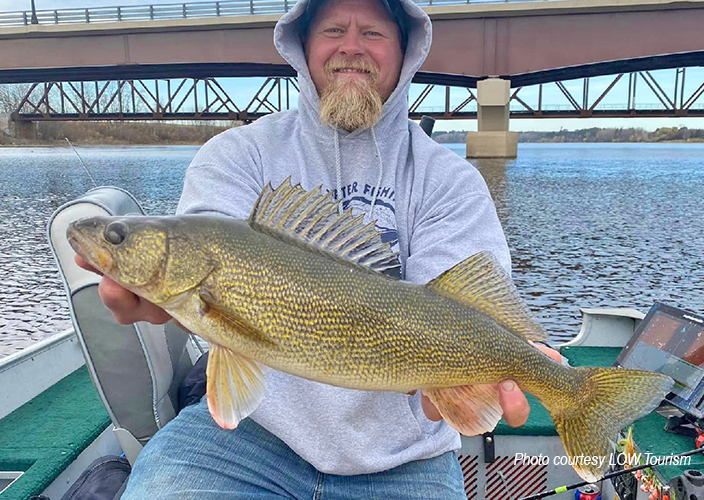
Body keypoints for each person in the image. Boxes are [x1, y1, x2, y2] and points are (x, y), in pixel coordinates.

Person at [75, 0, 560, 497]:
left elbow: (460, 304)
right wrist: (172, 304)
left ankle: (579, 397)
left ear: (406, 50)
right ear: (302, 45)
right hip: (247, 437)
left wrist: (474, 382)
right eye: (332, 29)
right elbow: (211, 229)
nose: (351, 46)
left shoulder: (450, 181)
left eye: (373, 32)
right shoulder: (238, 153)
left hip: (405, 456)